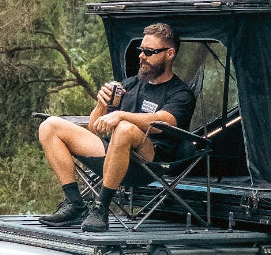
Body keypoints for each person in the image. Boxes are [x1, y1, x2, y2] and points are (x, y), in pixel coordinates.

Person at [37, 22, 196, 231]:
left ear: (169, 54)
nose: (141, 57)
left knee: (124, 128)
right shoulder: (129, 84)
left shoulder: (180, 93)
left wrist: (121, 116)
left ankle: (101, 208)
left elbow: (164, 122)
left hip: (149, 164)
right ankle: (75, 204)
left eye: (149, 52)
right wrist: (101, 104)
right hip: (113, 155)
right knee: (50, 126)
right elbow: (95, 128)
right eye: (141, 51)